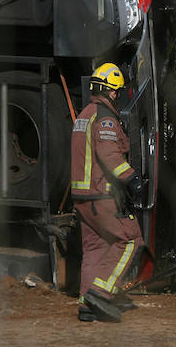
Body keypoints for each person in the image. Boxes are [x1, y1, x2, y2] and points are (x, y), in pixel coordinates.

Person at [71, 63, 145, 323]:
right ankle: (100, 293)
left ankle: (85, 305)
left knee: (95, 248)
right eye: (118, 91)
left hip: (82, 198)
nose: (118, 95)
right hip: (101, 195)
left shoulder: (85, 114)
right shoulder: (104, 118)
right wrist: (131, 178)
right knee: (130, 240)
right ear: (112, 92)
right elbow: (109, 153)